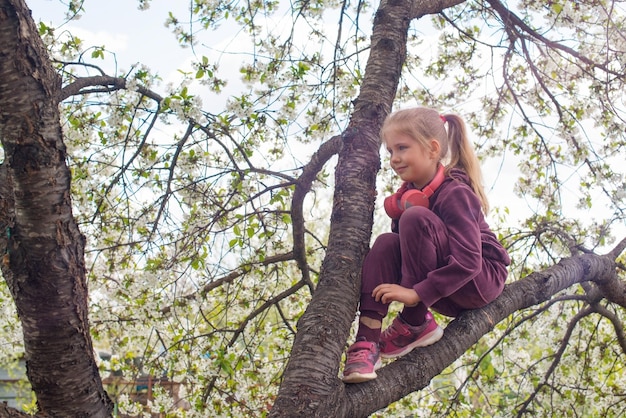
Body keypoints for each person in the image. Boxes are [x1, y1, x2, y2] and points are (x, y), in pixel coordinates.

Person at [341, 107, 511, 383]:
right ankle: (366, 342)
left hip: (480, 281)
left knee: (416, 217)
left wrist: (416, 294)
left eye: (402, 148)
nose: (395, 159)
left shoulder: (455, 192)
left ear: (432, 149)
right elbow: (408, 253)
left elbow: (469, 261)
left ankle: (414, 321)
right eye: (390, 151)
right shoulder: (411, 196)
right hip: (447, 292)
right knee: (385, 242)